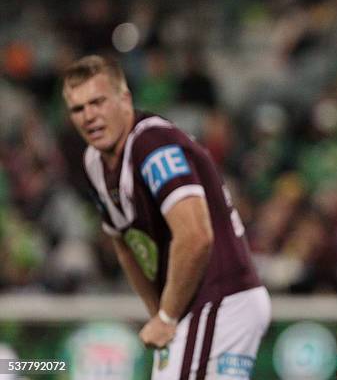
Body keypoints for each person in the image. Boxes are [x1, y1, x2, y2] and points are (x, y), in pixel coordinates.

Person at [62, 55, 271, 380]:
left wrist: (166, 316)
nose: (89, 116)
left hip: (218, 299)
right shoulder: (94, 162)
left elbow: (195, 236)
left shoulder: (152, 143)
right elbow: (127, 246)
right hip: (201, 305)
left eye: (98, 102)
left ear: (124, 98)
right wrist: (158, 312)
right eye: (78, 108)